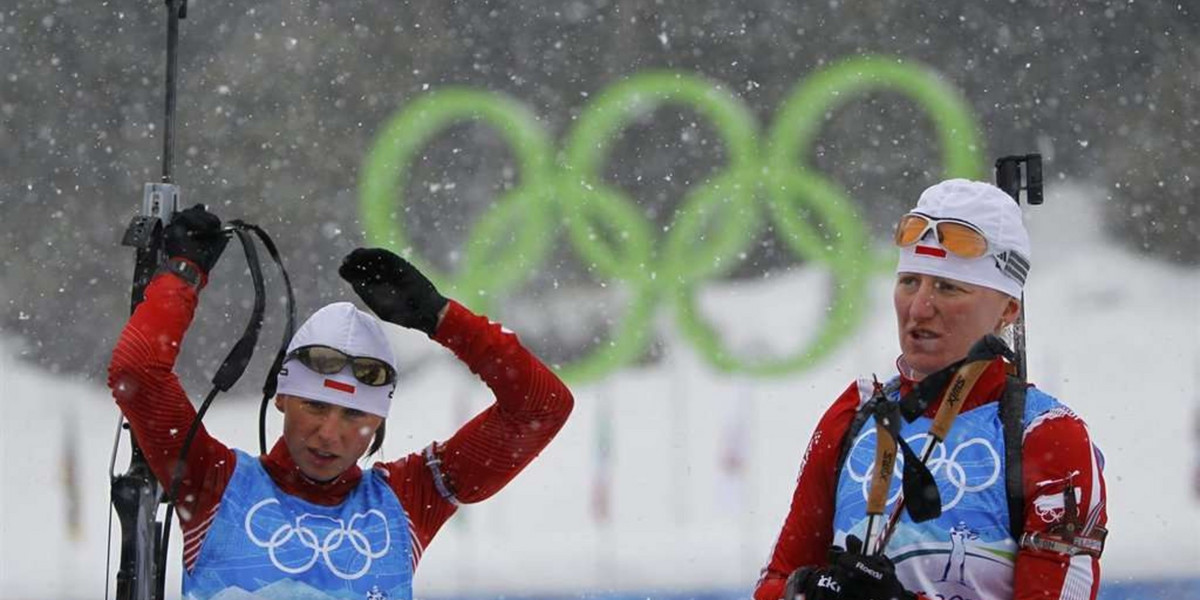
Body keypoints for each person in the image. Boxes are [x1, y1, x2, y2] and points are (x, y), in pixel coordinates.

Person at [108, 205, 574, 600]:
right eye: (315, 406)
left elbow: (543, 408)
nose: (329, 434)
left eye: (354, 415)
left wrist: (442, 318)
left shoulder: (411, 498)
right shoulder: (212, 482)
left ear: (380, 421)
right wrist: (182, 277)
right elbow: (136, 373)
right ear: (282, 398)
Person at [753, 180, 1108, 600]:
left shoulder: (1047, 435)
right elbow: (772, 584)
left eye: (948, 287)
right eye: (909, 282)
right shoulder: (857, 413)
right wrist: (806, 590)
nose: (919, 308)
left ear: (1008, 309)